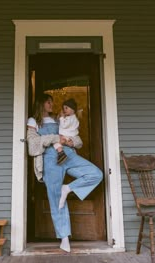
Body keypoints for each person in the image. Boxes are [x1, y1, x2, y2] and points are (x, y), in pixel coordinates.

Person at [27, 93, 103, 253]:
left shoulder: (60, 118)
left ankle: (67, 189)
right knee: (55, 198)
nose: (52, 105)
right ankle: (64, 238)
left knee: (95, 174)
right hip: (50, 160)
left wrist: (69, 141)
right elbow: (33, 146)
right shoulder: (34, 122)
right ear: (41, 104)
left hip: (69, 154)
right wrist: (56, 138)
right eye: (48, 102)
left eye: (52, 102)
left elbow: (79, 141)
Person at [53, 98, 79, 165]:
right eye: (63, 108)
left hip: (66, 136)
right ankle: (73, 155)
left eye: (66, 108)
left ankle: (61, 153)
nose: (64, 110)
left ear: (72, 109)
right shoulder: (73, 118)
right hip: (69, 136)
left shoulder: (71, 118)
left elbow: (64, 126)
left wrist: (62, 117)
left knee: (55, 143)